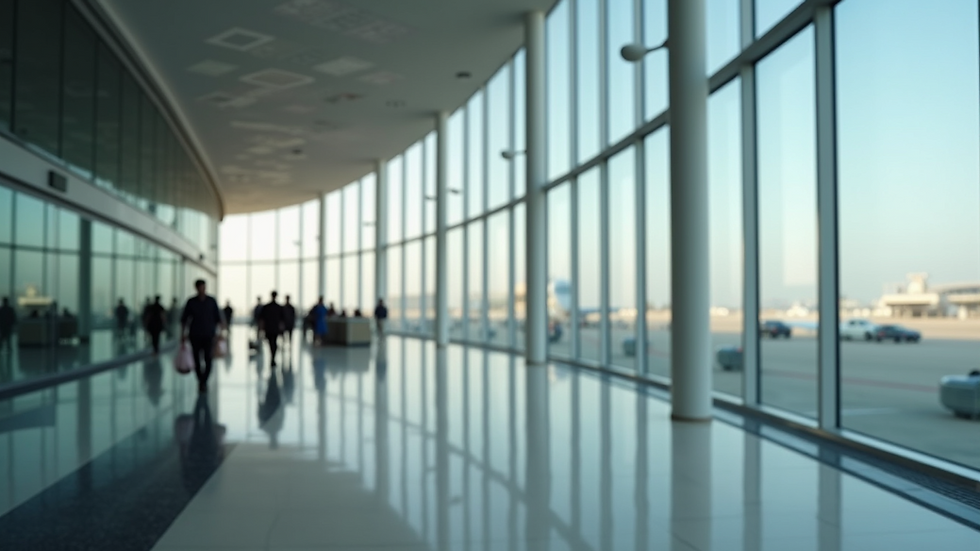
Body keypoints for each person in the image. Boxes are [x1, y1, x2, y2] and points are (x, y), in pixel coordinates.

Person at [181, 279, 226, 393]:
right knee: (196, 359)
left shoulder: (211, 301)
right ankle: (200, 380)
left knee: (208, 359)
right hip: (195, 334)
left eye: (203, 287)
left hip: (209, 335)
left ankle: (204, 381)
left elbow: (218, 318)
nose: (202, 290)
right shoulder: (191, 302)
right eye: (200, 287)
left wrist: (220, 333)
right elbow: (185, 319)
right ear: (196, 288)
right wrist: (182, 334)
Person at [258, 291, 285, 366]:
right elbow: (282, 319)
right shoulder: (279, 307)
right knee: (274, 342)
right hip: (275, 328)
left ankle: (272, 357)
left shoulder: (266, 307)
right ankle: (273, 357)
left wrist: (261, 328)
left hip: (268, 328)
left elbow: (261, 318)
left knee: (271, 343)